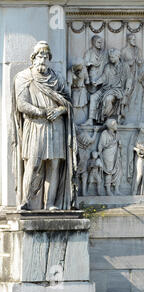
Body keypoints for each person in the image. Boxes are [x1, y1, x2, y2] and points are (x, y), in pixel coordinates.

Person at [11, 41, 77, 210]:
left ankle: (51, 204)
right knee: (33, 164)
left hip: (56, 126)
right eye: (40, 55)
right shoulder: (24, 77)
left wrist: (59, 111)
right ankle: (25, 201)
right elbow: (21, 104)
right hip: (35, 126)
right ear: (33, 58)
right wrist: (42, 112)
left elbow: (68, 102)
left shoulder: (56, 78)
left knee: (54, 166)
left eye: (46, 56)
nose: (43, 59)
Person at [87, 48, 132, 125]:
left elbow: (129, 78)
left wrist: (127, 88)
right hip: (105, 89)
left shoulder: (125, 66)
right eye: (110, 57)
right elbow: (103, 77)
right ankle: (90, 120)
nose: (111, 59)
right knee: (93, 97)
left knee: (108, 99)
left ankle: (106, 118)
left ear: (118, 56)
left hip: (117, 90)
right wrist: (96, 82)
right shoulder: (107, 66)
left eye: (112, 57)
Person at [97, 119, 122, 196]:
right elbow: (103, 145)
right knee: (109, 171)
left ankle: (116, 189)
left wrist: (120, 144)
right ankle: (108, 190)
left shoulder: (117, 134)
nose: (116, 126)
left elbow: (119, 144)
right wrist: (115, 141)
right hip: (108, 155)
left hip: (116, 154)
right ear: (111, 126)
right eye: (115, 124)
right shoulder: (104, 133)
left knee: (118, 170)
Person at [128, 123, 144, 195]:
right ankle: (134, 191)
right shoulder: (135, 136)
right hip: (139, 156)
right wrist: (137, 149)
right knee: (140, 173)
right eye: (142, 128)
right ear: (139, 128)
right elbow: (131, 146)